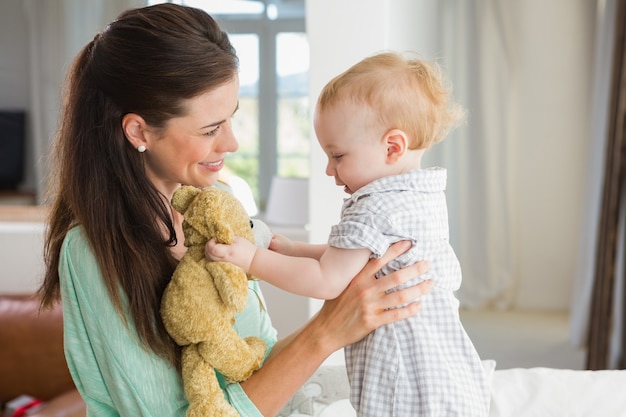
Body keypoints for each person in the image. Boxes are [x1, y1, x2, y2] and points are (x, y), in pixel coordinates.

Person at [37, 5, 433, 417]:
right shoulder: (93, 252)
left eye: (230, 120)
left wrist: (347, 324)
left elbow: (252, 368)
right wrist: (326, 331)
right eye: (210, 130)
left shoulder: (216, 211)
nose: (231, 144)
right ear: (139, 131)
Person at [207, 52, 491, 416]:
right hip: (445, 367)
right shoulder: (421, 196)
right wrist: (295, 249)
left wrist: (253, 259)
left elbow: (328, 281)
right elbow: (355, 257)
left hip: (404, 375)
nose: (329, 169)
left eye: (338, 156)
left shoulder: (373, 206)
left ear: (392, 147)